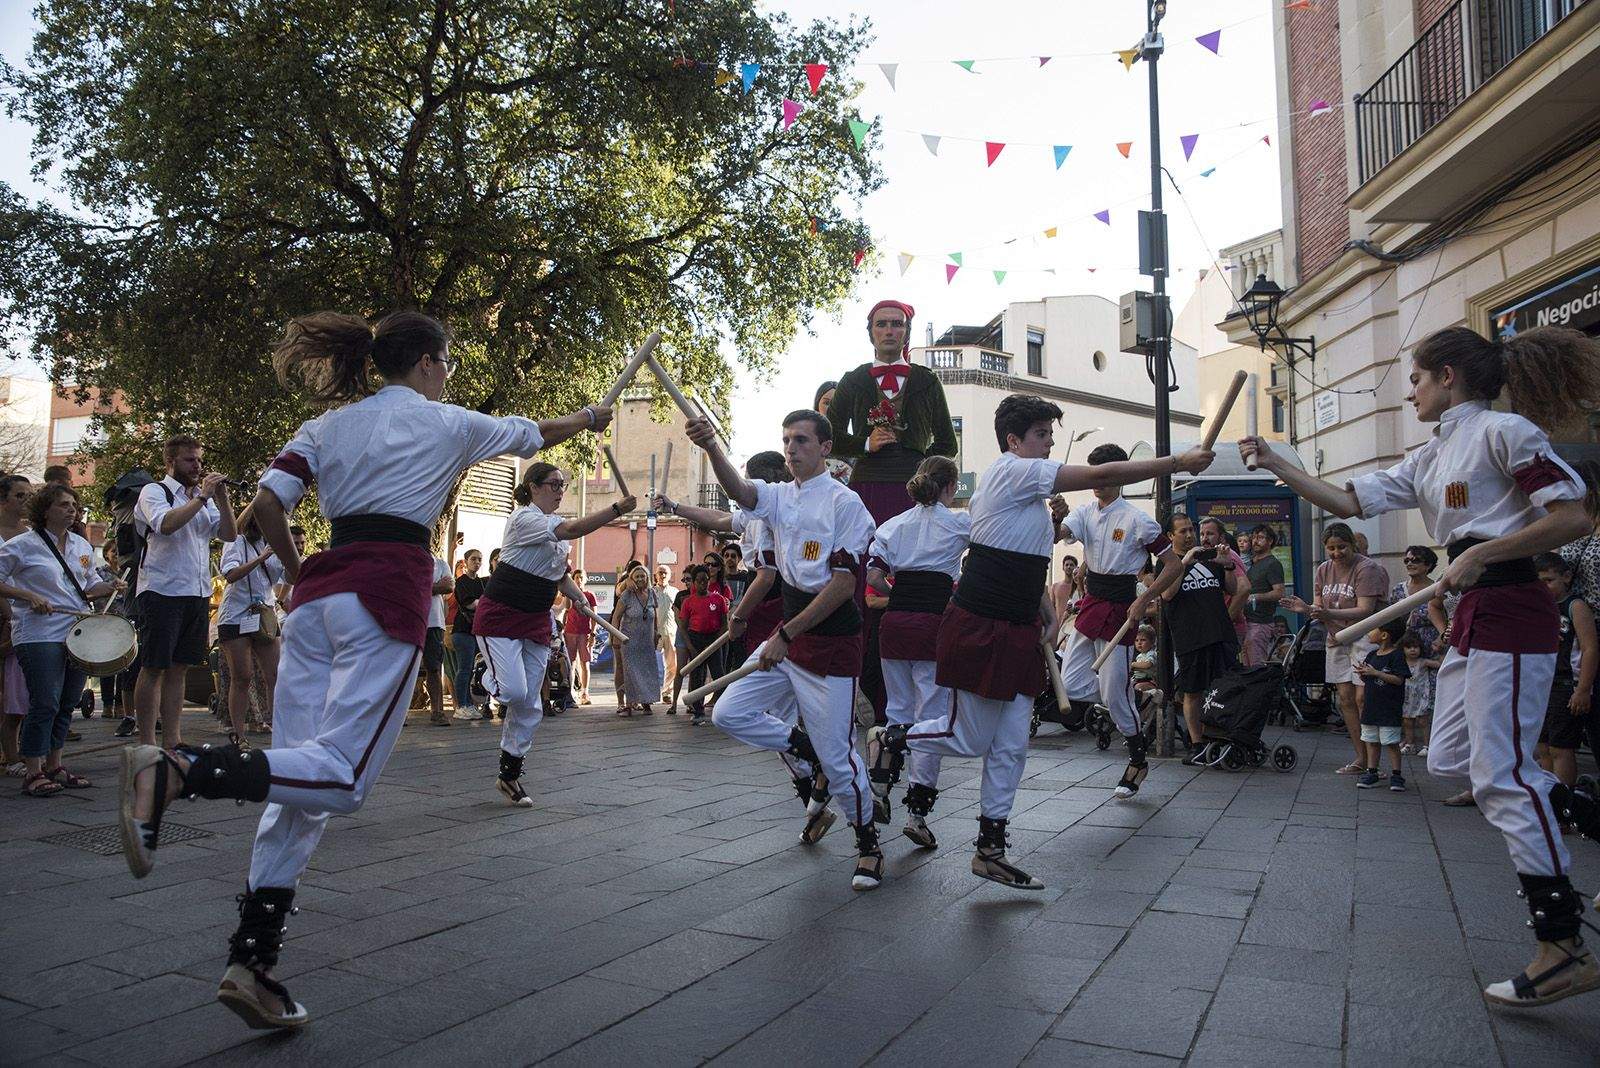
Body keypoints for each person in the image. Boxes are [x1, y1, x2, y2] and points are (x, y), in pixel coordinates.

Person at [116, 309, 610, 1030]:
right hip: (384, 599)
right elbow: (536, 432)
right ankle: (179, 771)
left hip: (317, 601)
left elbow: (264, 507)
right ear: (431, 361)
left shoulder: (326, 428)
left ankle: (252, 964)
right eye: (449, 363)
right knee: (341, 779)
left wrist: (295, 574)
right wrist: (592, 415)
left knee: (300, 783)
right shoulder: (451, 423)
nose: (451, 374)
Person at [1241, 323, 1600, 1008]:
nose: (1409, 390)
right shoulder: (1431, 455)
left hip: (1513, 609)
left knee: (1503, 777)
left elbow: (1574, 516)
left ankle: (1562, 945)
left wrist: (1480, 554)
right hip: (1473, 617)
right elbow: (1347, 501)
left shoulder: (1507, 432)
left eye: (1415, 377)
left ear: (1448, 378)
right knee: (1452, 759)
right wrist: (1278, 464)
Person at [878, 396, 1213, 888]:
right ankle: (890, 738)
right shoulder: (1010, 469)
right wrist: (1175, 464)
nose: (1050, 441)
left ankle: (990, 849)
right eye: (1041, 433)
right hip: (979, 623)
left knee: (1012, 745)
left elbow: (1028, 563)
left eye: (1049, 434)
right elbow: (1102, 474)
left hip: (1016, 627)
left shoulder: (1028, 495)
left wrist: (1046, 616)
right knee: (969, 739)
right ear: (1014, 440)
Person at [684, 408, 883, 889]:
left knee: (841, 762)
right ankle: (805, 749)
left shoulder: (845, 504)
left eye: (801, 441)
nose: (791, 449)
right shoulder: (777, 497)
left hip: (830, 642)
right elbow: (739, 495)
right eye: (787, 440)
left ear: (825, 448)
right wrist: (712, 445)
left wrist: (786, 634)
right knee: (728, 712)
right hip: (790, 639)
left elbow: (840, 587)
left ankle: (868, 843)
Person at [476, 465, 632, 802]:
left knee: (531, 703)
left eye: (563, 485)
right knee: (513, 689)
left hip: (535, 619)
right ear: (533, 487)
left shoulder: (554, 534)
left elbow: (558, 575)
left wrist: (576, 596)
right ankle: (483, 676)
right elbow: (573, 529)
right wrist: (616, 509)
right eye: (553, 484)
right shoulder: (524, 519)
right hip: (500, 615)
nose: (560, 491)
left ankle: (510, 774)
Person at [1056, 443, 1178, 798]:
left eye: (1107, 474)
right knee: (1072, 682)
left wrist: (1145, 598)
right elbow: (1057, 535)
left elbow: (1173, 565)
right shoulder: (1084, 513)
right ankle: (1124, 697)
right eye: (1095, 473)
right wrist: (1054, 516)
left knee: (1114, 689)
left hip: (1123, 608)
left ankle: (1138, 758)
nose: (1099, 481)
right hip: (1093, 602)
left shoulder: (1138, 519)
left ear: (1122, 475)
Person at [863, 455, 968, 849]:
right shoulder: (959, 522)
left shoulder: (893, 524)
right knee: (932, 717)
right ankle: (917, 813)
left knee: (898, 710)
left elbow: (873, 576)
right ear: (951, 486)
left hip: (894, 624)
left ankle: (880, 782)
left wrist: (900, 595)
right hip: (931, 624)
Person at [0, 483, 122, 796]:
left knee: (67, 701)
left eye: (73, 505)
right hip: (38, 631)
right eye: (63, 505)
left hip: (76, 630)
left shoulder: (82, 546)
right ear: (45, 510)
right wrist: (26, 594)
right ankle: (33, 771)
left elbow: (89, 584)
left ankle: (55, 765)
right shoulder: (22, 545)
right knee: (45, 701)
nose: (71, 510)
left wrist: (109, 588)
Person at [132, 434, 237, 748]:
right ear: (170, 461)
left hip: (196, 591)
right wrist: (203, 498)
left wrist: (222, 499)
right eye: (190, 460)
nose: (198, 466)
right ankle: (148, 741)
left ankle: (173, 740)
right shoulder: (155, 491)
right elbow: (165, 524)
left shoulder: (200, 498)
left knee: (180, 669)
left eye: (200, 460)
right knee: (154, 666)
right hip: (161, 591)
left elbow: (230, 534)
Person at [1281, 522, 1389, 775]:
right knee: (1345, 699)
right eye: (1331, 548)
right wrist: (1307, 609)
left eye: (1342, 547)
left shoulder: (1367, 568)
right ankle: (1360, 758)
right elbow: (1319, 606)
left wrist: (1326, 612)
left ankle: (1375, 761)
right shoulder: (1323, 570)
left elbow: (1365, 609)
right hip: (1336, 636)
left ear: (1352, 544)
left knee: (1363, 698)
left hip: (1364, 635)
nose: (1337, 553)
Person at [1148, 513, 1240, 761]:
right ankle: (1197, 742)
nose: (1189, 535)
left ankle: (1220, 735)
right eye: (1183, 531)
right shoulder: (1167, 563)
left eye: (1191, 530)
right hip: (1191, 636)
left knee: (1225, 688)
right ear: (1170, 536)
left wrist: (1227, 564)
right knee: (1193, 691)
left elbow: (1232, 588)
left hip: (1220, 632)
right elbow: (1167, 594)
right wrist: (1184, 563)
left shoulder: (1207, 557)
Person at [217, 512, 285, 746]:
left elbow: (290, 575)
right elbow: (231, 575)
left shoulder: (275, 544)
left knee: (276, 674)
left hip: (264, 615)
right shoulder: (235, 541)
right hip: (236, 616)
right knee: (242, 677)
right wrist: (260, 558)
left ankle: (280, 728)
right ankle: (239, 734)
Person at [1534, 553, 1595, 790]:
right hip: (1542, 683)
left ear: (1566, 577)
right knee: (1543, 747)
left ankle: (1564, 807)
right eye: (1540, 582)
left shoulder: (1575, 606)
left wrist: (1583, 689)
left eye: (1549, 581)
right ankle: (1549, 799)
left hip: (1565, 684)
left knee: (1561, 747)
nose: (1545, 587)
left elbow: (1589, 648)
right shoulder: (1541, 607)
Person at [1391, 544, 1445, 753]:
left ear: (1428, 564)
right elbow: (1393, 620)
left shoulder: (1437, 588)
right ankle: (1409, 738)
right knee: (1407, 692)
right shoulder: (1399, 589)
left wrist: (1442, 638)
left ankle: (1430, 741)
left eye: (1416, 560)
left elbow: (1445, 615)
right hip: (1406, 645)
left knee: (1430, 694)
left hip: (1431, 644)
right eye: (1407, 560)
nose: (1410, 563)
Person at [1354, 617, 1410, 791]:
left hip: (1388, 707)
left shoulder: (1397, 655)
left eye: (1374, 629)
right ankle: (1372, 772)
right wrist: (1364, 673)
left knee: (1391, 742)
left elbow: (1398, 680)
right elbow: (1368, 676)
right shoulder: (1372, 655)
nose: (1370, 632)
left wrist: (1376, 673)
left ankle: (1396, 774)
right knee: (1371, 740)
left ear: (1384, 635)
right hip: (1372, 706)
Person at [0, 473, 31, 772]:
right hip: (6, 613)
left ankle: (13, 753)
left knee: (14, 689)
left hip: (21, 618)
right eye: (20, 495)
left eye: (29, 495)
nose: (26, 501)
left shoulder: (31, 533)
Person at [678, 565, 728, 724]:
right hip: (695, 639)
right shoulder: (688, 602)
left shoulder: (718, 599)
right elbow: (683, 627)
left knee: (719, 675)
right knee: (696, 677)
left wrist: (716, 642)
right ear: (693, 582)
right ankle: (698, 711)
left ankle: (724, 709)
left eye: (705, 581)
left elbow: (724, 625)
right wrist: (690, 647)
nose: (702, 584)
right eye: (698, 581)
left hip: (714, 639)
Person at [1198, 516, 1250, 658]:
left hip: (1229, 630)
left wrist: (1225, 622)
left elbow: (1244, 588)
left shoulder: (1227, 556)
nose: (1205, 538)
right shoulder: (1210, 556)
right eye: (1202, 534)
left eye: (1210, 534)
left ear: (1221, 537)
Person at [613, 566, 661, 715]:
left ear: (647, 578)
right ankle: (628, 704)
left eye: (643, 576)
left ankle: (647, 702)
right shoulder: (627, 594)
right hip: (629, 640)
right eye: (637, 577)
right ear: (632, 579)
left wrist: (656, 633)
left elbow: (655, 616)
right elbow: (616, 617)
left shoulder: (652, 593)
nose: (640, 579)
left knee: (647, 672)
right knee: (630, 673)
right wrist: (616, 636)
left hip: (646, 641)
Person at [1242, 525, 1286, 665]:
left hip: (1260, 623)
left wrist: (1256, 597)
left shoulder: (1272, 564)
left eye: (1260, 538)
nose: (1255, 541)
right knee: (1248, 667)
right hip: (1247, 621)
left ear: (1270, 541)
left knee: (1257, 667)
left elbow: (1279, 592)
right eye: (1254, 537)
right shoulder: (1254, 563)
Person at [418, 554, 453, 726]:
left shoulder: (440, 563)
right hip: (411, 620)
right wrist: (435, 586)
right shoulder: (409, 560)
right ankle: (398, 714)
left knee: (434, 668)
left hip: (434, 622)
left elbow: (448, 586)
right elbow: (404, 587)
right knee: (404, 669)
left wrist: (421, 587)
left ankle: (437, 711)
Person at [450, 550, 485, 720]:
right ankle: (460, 705)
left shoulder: (481, 583)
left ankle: (468, 703)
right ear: (466, 561)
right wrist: (484, 604)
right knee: (464, 669)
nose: (476, 563)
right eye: (473, 559)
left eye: (479, 560)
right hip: (462, 630)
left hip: (475, 630)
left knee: (470, 668)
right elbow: (470, 604)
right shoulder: (461, 582)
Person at [1399, 631, 1440, 758]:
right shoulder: (1401, 662)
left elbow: (1439, 664)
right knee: (1407, 721)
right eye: (1409, 647)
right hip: (1406, 696)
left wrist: (1441, 653)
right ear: (1403, 648)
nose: (1413, 650)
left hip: (1421, 696)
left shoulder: (1422, 662)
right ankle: (1410, 744)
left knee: (1423, 721)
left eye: (1416, 647)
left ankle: (1427, 745)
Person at [560, 567, 597, 704]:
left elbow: (594, 616)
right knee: (571, 663)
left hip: (584, 633)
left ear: (585, 579)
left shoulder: (590, 595)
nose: (579, 580)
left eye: (581, 578)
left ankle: (585, 692)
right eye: (576, 578)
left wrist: (593, 633)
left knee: (585, 663)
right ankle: (570, 692)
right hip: (570, 632)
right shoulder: (569, 594)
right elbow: (567, 609)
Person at [654, 564, 679, 697]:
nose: (663, 575)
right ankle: (650, 693)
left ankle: (667, 692)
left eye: (665, 573)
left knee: (672, 664)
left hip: (671, 632)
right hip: (655, 632)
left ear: (669, 576)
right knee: (650, 663)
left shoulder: (675, 592)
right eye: (660, 573)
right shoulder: (651, 592)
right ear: (656, 575)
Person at [1049, 553, 1081, 646]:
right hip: (1058, 626)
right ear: (1063, 567)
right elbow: (1051, 607)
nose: (1069, 567)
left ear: (1075, 567)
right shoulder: (1055, 586)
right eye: (1066, 565)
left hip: (1071, 627)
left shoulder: (1079, 588)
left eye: (1071, 565)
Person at [1130, 626, 1158, 694]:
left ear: (1152, 642)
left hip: (1148, 681)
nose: (1139, 643)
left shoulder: (1151, 654)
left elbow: (1147, 665)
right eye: (1136, 640)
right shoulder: (1139, 656)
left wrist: (1133, 664)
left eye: (1143, 640)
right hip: (1137, 680)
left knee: (1137, 688)